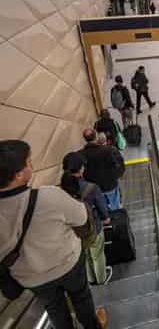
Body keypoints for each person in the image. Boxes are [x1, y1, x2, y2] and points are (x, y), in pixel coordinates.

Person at [0, 140, 106, 329]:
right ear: (18, 175)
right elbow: (82, 217)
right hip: (67, 264)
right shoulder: (48, 196)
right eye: (28, 162)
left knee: (54, 308)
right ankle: (92, 326)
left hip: (31, 277)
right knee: (81, 297)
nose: (32, 165)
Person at [61, 153, 112, 286]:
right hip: (93, 226)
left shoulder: (61, 190)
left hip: (75, 231)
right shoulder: (91, 188)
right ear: (81, 168)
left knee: (85, 255)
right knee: (97, 254)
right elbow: (102, 206)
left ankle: (90, 280)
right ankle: (102, 279)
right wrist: (106, 218)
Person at [79, 129, 125, 211]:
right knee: (115, 206)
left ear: (85, 139)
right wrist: (115, 177)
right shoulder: (110, 150)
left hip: (93, 189)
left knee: (99, 208)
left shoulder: (80, 155)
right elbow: (120, 166)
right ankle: (116, 218)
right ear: (96, 137)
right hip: (110, 186)